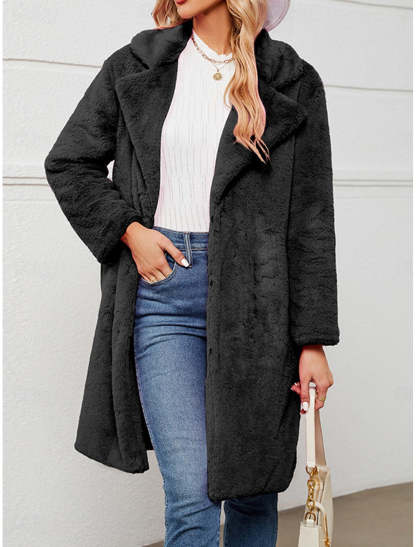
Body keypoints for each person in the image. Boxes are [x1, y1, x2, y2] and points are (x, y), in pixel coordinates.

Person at [44, 0, 340, 545]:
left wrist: (313, 341)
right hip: (164, 297)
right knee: (192, 492)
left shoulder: (293, 80)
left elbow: (311, 218)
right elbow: (69, 161)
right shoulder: (134, 65)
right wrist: (129, 231)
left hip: (259, 305)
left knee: (252, 488)